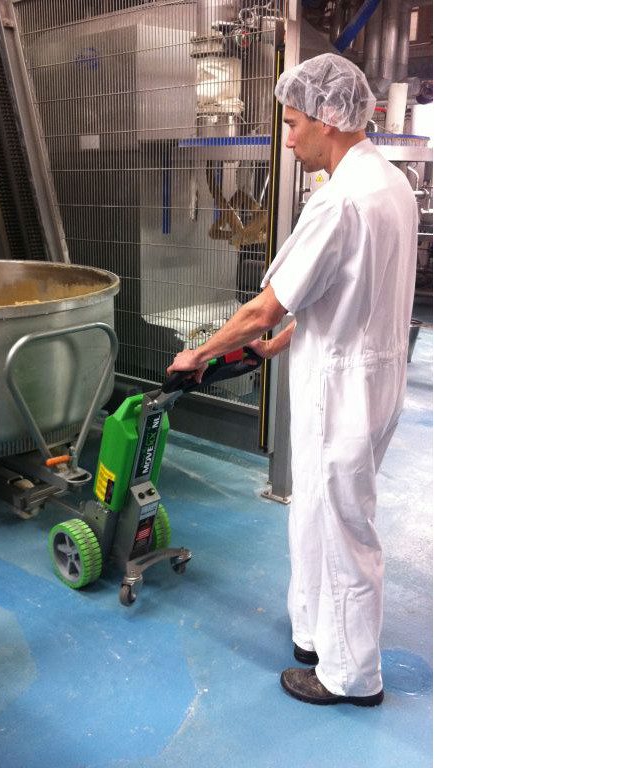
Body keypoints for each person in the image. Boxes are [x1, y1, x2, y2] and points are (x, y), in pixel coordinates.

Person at [167, 53, 417, 707]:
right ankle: (314, 635)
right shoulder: (390, 184)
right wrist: (280, 344)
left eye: (293, 122)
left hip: (341, 390)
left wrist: (200, 354)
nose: (289, 138)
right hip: (368, 377)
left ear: (328, 119)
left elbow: (263, 307)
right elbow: (347, 292)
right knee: (316, 510)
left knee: (342, 526)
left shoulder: (339, 201)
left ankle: (351, 676)